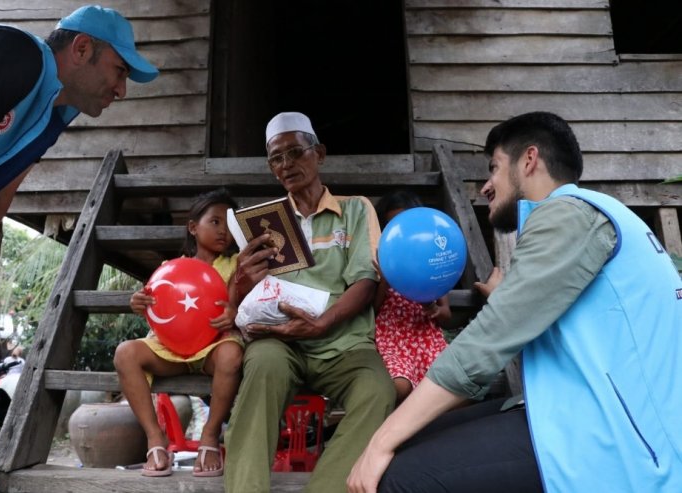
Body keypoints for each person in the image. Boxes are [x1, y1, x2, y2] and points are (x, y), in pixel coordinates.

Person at [348, 111, 682, 493]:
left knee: (398, 476)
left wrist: (379, 441)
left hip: (619, 443)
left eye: (494, 168)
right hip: (587, 412)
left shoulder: (567, 214)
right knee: (416, 438)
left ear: (529, 160)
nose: (485, 187)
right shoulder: (589, 214)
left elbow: (489, 340)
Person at [0, 5, 158, 359]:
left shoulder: (51, 116)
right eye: (120, 71)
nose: (122, 91)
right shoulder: (15, 54)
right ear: (82, 48)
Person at [223, 112, 396, 493]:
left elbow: (366, 280)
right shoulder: (266, 222)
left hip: (344, 343)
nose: (286, 165)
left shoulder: (354, 209)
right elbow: (245, 299)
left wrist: (322, 324)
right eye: (276, 158)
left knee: (377, 392)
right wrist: (242, 281)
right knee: (262, 367)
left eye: (295, 153)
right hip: (281, 341)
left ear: (319, 154)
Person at [114, 188, 244, 478]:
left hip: (214, 347)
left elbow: (238, 303)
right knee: (126, 353)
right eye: (215, 222)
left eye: (230, 225)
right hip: (171, 350)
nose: (224, 231)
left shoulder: (237, 265)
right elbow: (159, 311)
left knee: (232, 354)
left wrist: (233, 312)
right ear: (193, 227)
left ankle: (210, 435)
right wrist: (141, 303)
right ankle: (154, 437)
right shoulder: (168, 270)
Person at [373, 190, 451, 403]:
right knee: (400, 385)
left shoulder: (432, 263)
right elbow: (373, 310)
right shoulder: (381, 259)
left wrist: (433, 308)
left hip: (425, 337)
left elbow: (446, 314)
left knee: (448, 386)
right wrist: (384, 280)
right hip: (391, 337)